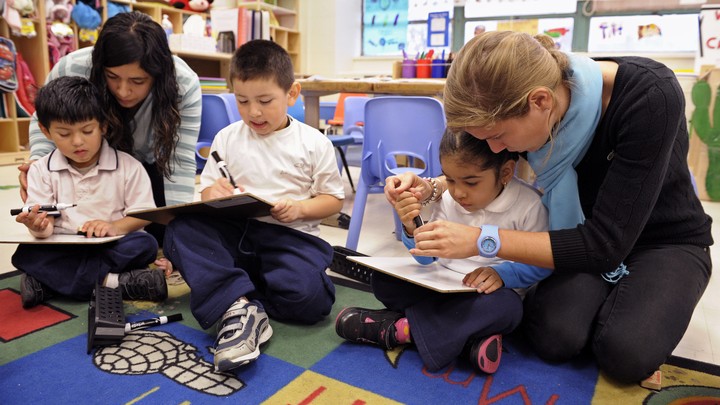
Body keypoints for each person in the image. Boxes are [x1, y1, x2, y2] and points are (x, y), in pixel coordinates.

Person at [384, 31, 713, 383]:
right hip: (576, 235)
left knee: (626, 355)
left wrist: (482, 239)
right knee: (555, 338)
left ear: (541, 101)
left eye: (498, 137)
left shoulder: (650, 97)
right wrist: (432, 187)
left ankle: (628, 309)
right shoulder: (527, 99)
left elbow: (603, 245)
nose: (496, 150)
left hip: (661, 240)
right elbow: (482, 168)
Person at [162, 39, 345, 372]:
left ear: (292, 94)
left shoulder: (314, 142)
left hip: (291, 237)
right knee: (179, 230)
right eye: (242, 101)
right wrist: (212, 195)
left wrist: (300, 209)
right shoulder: (228, 137)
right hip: (237, 232)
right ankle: (239, 304)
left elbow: (333, 200)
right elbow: (207, 192)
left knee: (311, 303)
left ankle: (235, 293)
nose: (253, 112)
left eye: (264, 101)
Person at [336, 130, 550, 374]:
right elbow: (426, 259)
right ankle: (468, 340)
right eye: (450, 179)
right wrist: (411, 227)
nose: (458, 192)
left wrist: (503, 274)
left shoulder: (530, 205)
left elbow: (542, 263)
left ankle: (401, 330)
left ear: (505, 173)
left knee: (509, 310)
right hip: (441, 287)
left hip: (487, 297)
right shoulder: (448, 199)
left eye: (470, 182)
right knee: (383, 281)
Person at [19, 11, 202, 248]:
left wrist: (178, 236)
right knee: (61, 238)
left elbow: (179, 162)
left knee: (153, 238)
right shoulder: (73, 66)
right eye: (112, 77)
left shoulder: (183, 83)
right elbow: (42, 118)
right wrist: (40, 167)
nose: (123, 91)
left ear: (158, 75)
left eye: (138, 81)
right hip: (87, 162)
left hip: (148, 170)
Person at [12, 76, 168, 309]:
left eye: (87, 131)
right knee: (26, 253)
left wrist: (114, 226)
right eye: (64, 134)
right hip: (65, 245)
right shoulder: (41, 170)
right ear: (45, 131)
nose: (77, 142)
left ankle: (48, 283)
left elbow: (144, 215)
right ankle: (116, 282)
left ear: (103, 125)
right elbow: (46, 227)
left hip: (111, 244)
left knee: (144, 244)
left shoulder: (128, 166)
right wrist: (37, 227)